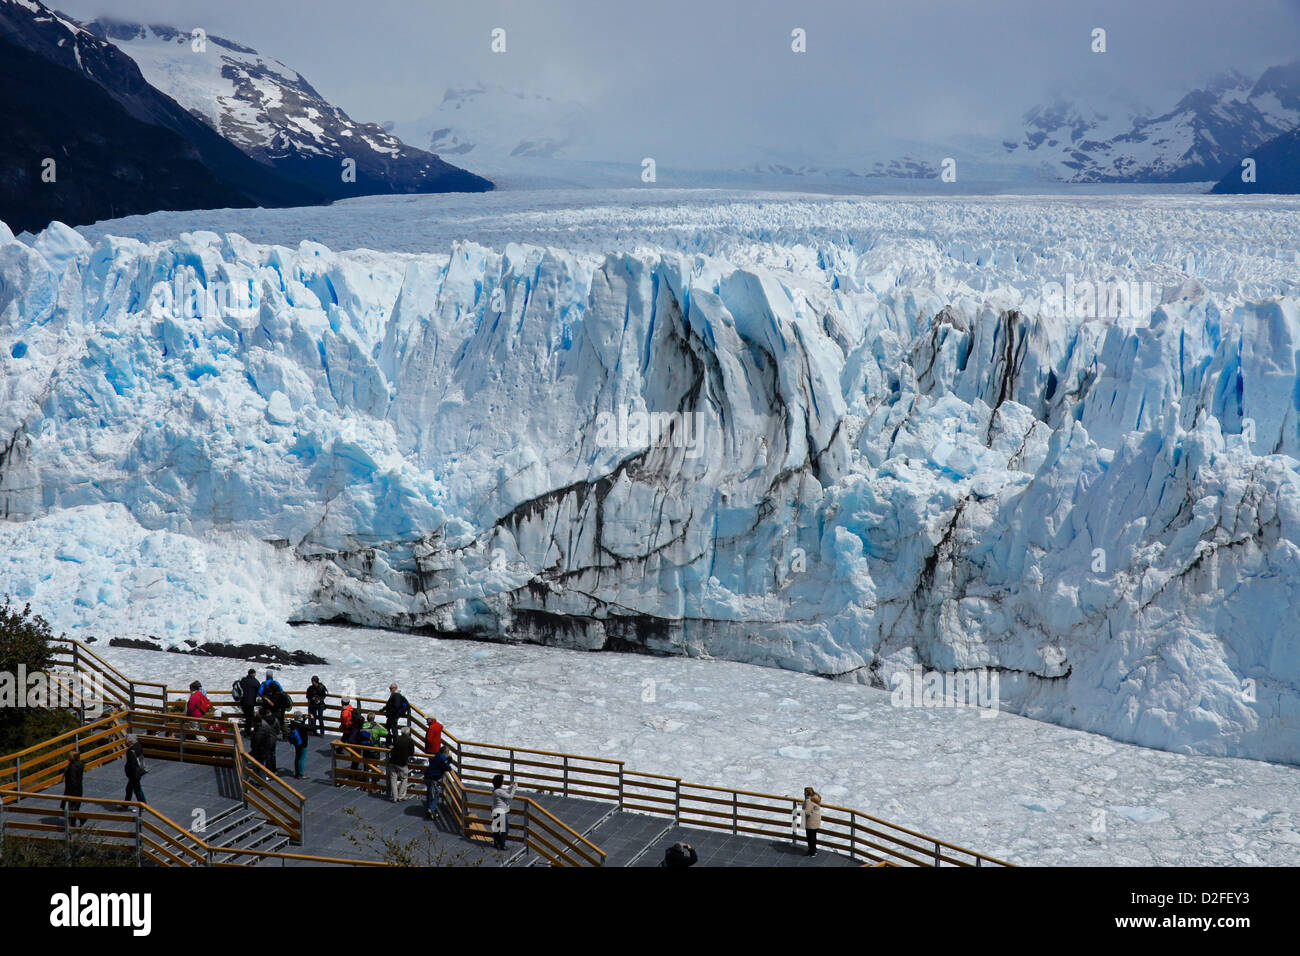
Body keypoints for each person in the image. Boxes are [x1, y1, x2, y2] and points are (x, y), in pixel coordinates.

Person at [423, 746, 453, 820]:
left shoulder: (438, 755)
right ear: (446, 752)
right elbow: (448, 768)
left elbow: (444, 764)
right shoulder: (442, 758)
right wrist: (450, 758)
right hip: (432, 778)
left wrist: (447, 759)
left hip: (428, 776)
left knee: (430, 794)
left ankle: (430, 811)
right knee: (436, 794)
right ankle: (431, 809)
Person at [490, 773, 516, 851]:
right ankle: (502, 845)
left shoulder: (496, 790)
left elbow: (505, 791)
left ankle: (496, 843)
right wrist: (514, 788)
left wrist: (511, 786)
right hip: (500, 812)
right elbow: (510, 796)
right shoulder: (499, 791)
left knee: (497, 829)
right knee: (505, 829)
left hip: (495, 811)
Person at [388, 730, 415, 802]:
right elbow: (412, 752)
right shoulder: (410, 741)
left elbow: (392, 746)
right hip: (402, 762)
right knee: (404, 778)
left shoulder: (397, 738)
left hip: (392, 760)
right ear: (409, 733)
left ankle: (394, 797)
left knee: (393, 779)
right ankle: (401, 796)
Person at [63, 750, 86, 827]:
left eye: (69, 756)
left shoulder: (72, 767)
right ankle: (80, 819)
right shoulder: (80, 764)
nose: (68, 758)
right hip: (79, 788)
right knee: (74, 807)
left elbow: (72, 779)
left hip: (72, 789)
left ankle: (74, 824)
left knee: (70, 808)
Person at [123, 734, 147, 806]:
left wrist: (129, 772)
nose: (125, 743)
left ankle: (143, 805)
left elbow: (132, 764)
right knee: (130, 789)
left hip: (133, 774)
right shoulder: (139, 746)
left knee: (137, 790)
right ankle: (126, 804)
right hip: (138, 771)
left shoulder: (131, 751)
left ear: (130, 741)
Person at [237, 669, 261, 735]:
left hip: (243, 701)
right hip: (251, 702)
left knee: (246, 716)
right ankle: (248, 731)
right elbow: (259, 691)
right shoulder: (255, 681)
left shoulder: (243, 680)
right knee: (250, 717)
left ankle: (246, 730)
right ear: (253, 674)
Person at [802, 786, 823, 857]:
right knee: (813, 836)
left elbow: (807, 812)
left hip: (810, 822)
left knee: (810, 838)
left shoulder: (809, 801)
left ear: (806, 793)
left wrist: (801, 810)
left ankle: (812, 852)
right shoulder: (815, 797)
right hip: (816, 820)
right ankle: (814, 850)